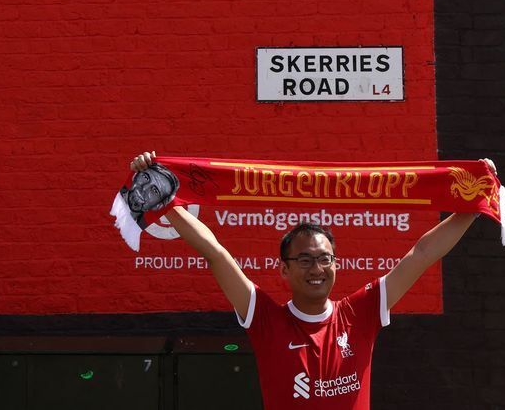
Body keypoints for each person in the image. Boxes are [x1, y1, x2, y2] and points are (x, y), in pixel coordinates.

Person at [127, 151, 480, 410]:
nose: (316, 269)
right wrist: (165, 199)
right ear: (284, 270)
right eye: (305, 260)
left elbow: (421, 254)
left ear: (336, 265)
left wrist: (473, 202)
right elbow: (216, 253)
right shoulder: (265, 318)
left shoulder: (362, 312)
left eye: (325, 259)